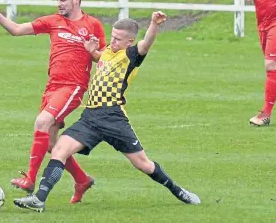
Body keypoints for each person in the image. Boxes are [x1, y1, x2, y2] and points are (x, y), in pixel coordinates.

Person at [13, 12, 201, 212]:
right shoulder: (107, 52)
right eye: (112, 36)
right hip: (90, 117)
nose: (113, 41)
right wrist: (91, 50)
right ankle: (39, 199)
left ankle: (178, 190)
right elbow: (99, 58)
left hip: (114, 119)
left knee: (144, 164)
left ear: (130, 41)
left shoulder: (131, 55)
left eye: (118, 39)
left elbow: (146, 44)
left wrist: (154, 24)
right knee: (59, 150)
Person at [0, 0, 106, 203]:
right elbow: (17, 30)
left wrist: (93, 52)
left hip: (73, 87)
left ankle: (30, 179)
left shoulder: (93, 25)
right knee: (50, 144)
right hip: (52, 87)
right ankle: (82, 180)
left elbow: (104, 60)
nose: (59, 4)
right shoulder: (53, 21)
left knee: (41, 122)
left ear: (76, 0)